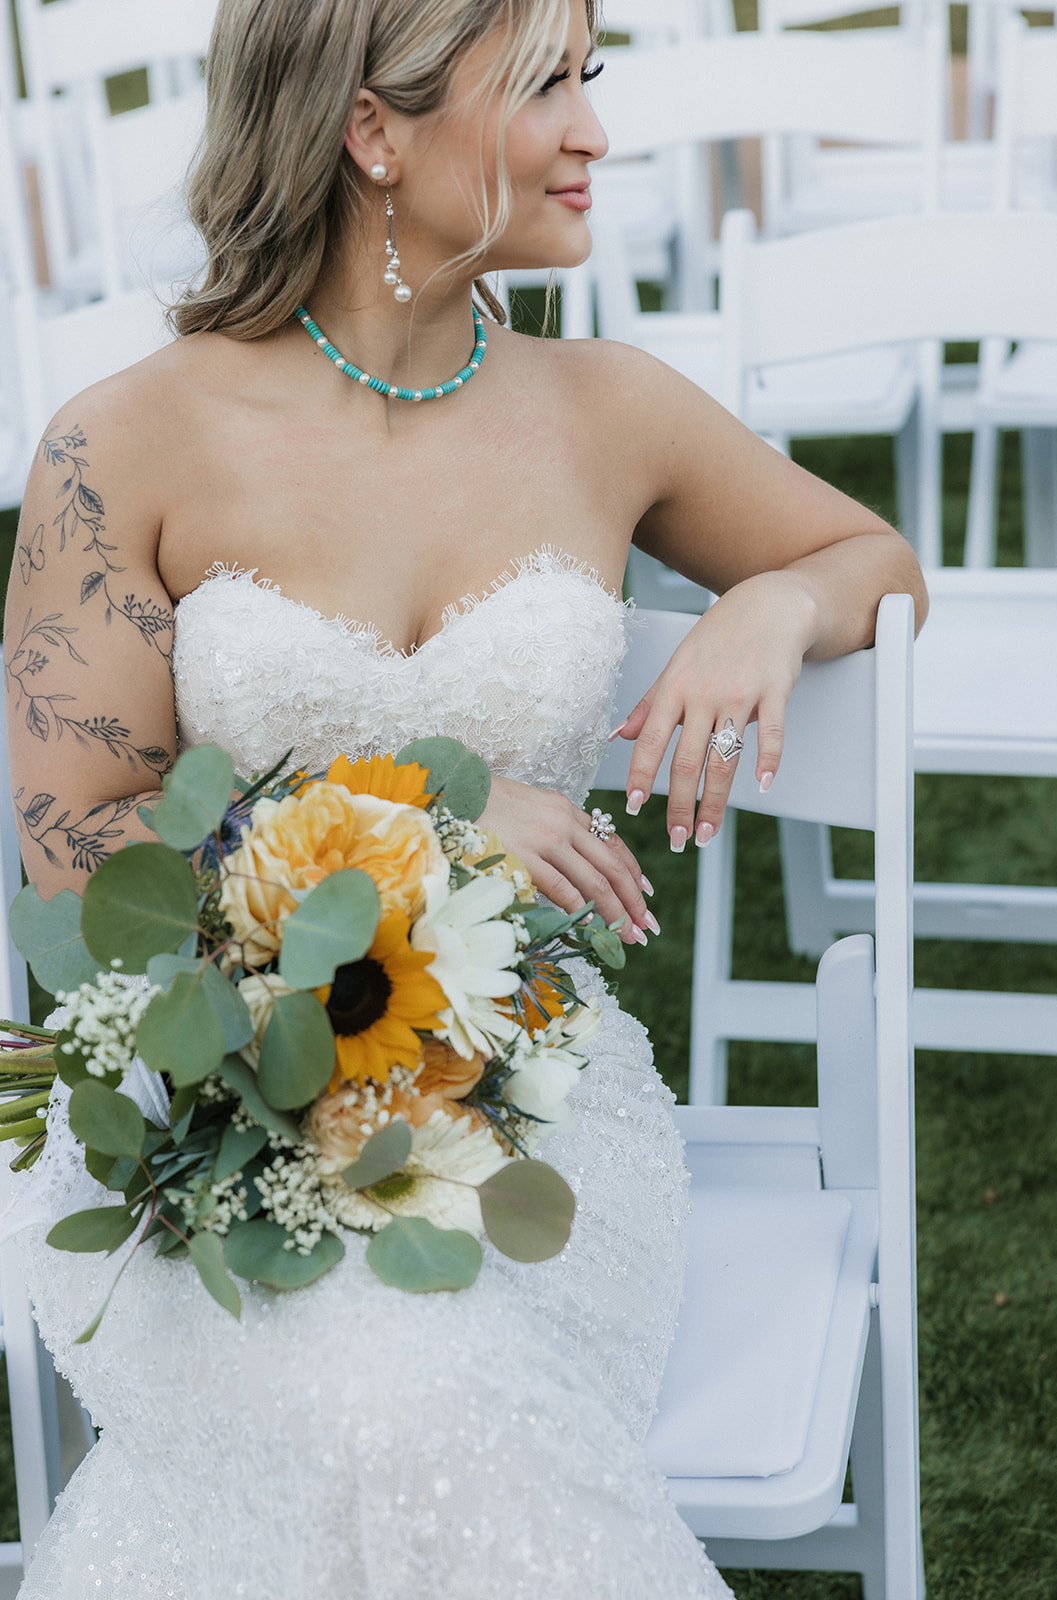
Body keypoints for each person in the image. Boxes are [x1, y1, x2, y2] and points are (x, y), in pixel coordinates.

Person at [3, 0, 927, 1593]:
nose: (596, 131)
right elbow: (77, 866)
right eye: (548, 86)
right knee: (385, 1402)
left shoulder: (608, 407)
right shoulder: (121, 444)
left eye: (594, 79)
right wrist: (404, 812)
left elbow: (876, 561)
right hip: (207, 1087)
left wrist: (770, 606)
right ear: (376, 131)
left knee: (420, 1394)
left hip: (536, 1096)